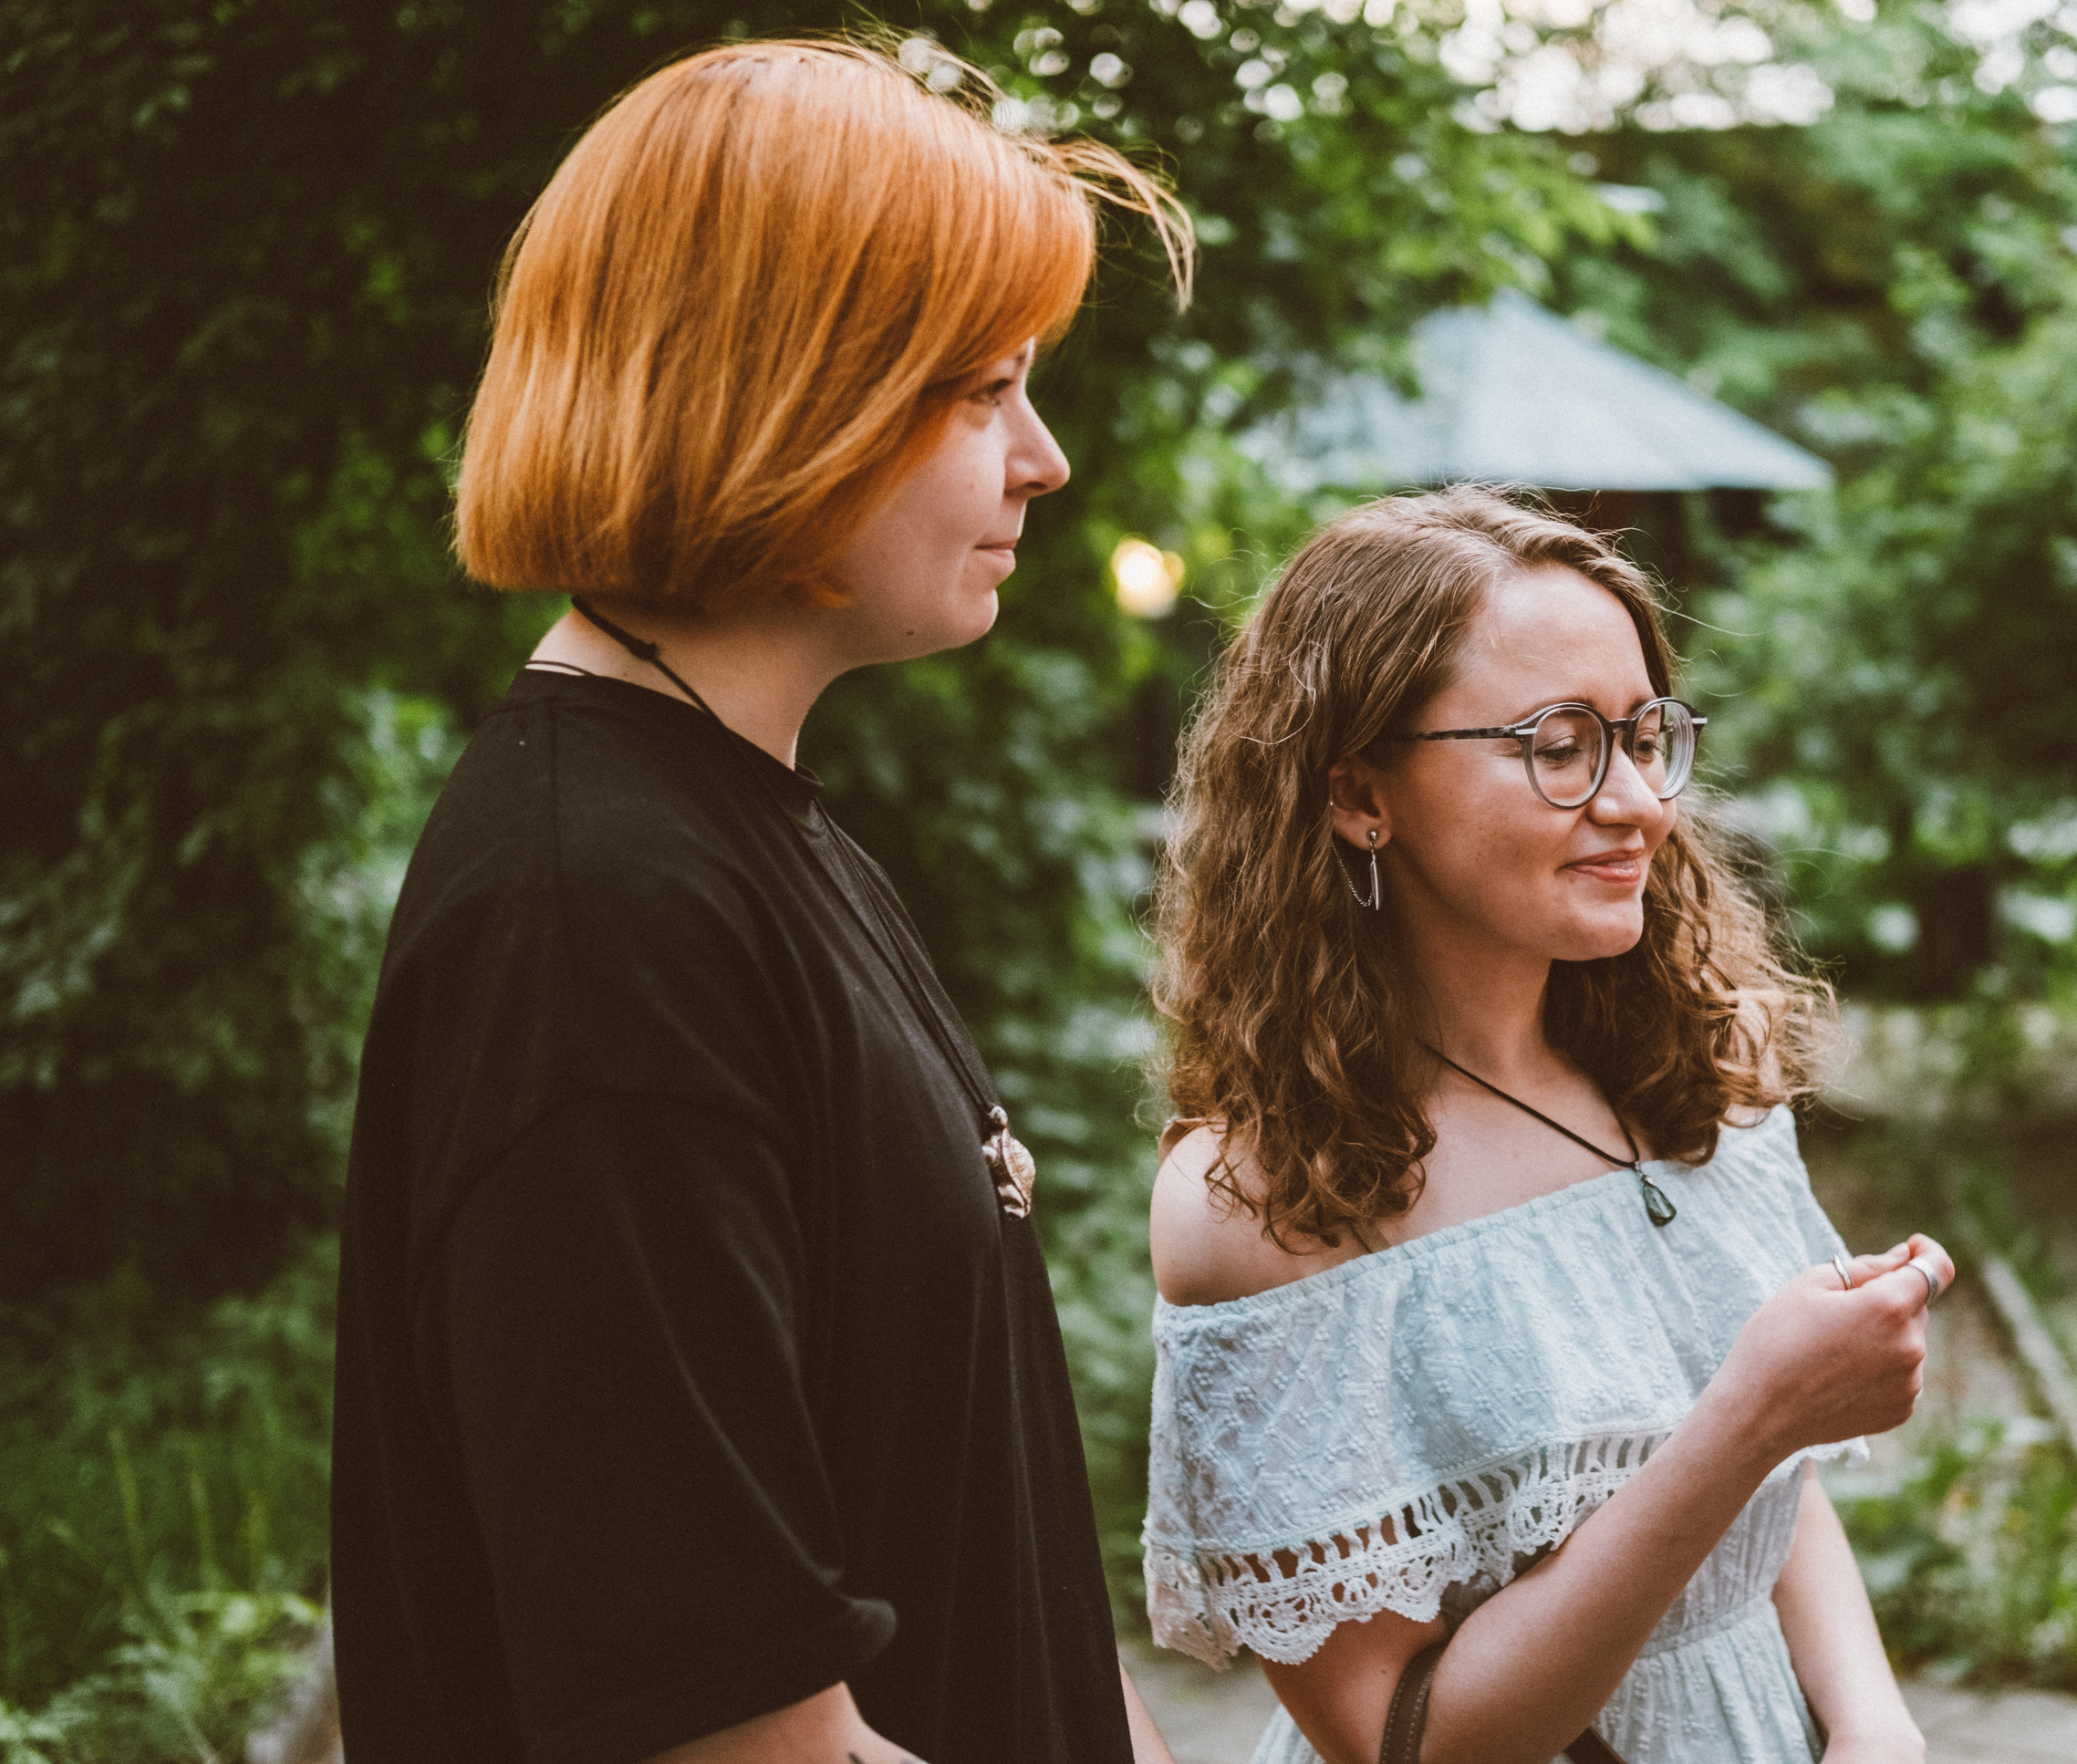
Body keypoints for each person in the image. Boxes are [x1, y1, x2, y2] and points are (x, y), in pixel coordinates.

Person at [330, 40, 1190, 1764]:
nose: (1047, 461)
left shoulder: (746, 826)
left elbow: (974, 1554)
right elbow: (728, 1727)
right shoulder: (600, 925)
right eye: (984, 390)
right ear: (790, 391)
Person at [1142, 487, 1951, 1764]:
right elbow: (1404, 1740)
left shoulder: (1698, 1067)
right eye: (1558, 743)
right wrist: (1745, 1411)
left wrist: (1871, 1716)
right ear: (1361, 794)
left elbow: (1772, 1506)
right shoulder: (1267, 1202)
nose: (1637, 800)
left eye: (1644, 736)